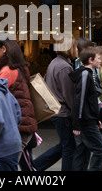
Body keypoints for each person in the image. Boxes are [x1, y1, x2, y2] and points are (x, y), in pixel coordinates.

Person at [0, 34, 38, 166]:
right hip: (22, 122)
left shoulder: (7, 71)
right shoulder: (17, 67)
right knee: (24, 165)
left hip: (18, 125)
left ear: (4, 49)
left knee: (8, 165)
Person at [33, 37, 78, 171]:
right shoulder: (64, 67)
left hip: (57, 111)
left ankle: (36, 166)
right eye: (75, 47)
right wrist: (76, 114)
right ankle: (36, 166)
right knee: (68, 147)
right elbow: (69, 95)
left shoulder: (55, 62)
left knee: (65, 145)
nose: (78, 50)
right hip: (63, 113)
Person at [69, 46, 102, 171]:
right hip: (85, 121)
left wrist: (95, 120)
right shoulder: (85, 74)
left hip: (86, 120)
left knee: (82, 152)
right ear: (90, 60)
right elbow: (80, 100)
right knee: (100, 150)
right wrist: (77, 124)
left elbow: (86, 101)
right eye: (98, 58)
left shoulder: (87, 74)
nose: (100, 61)